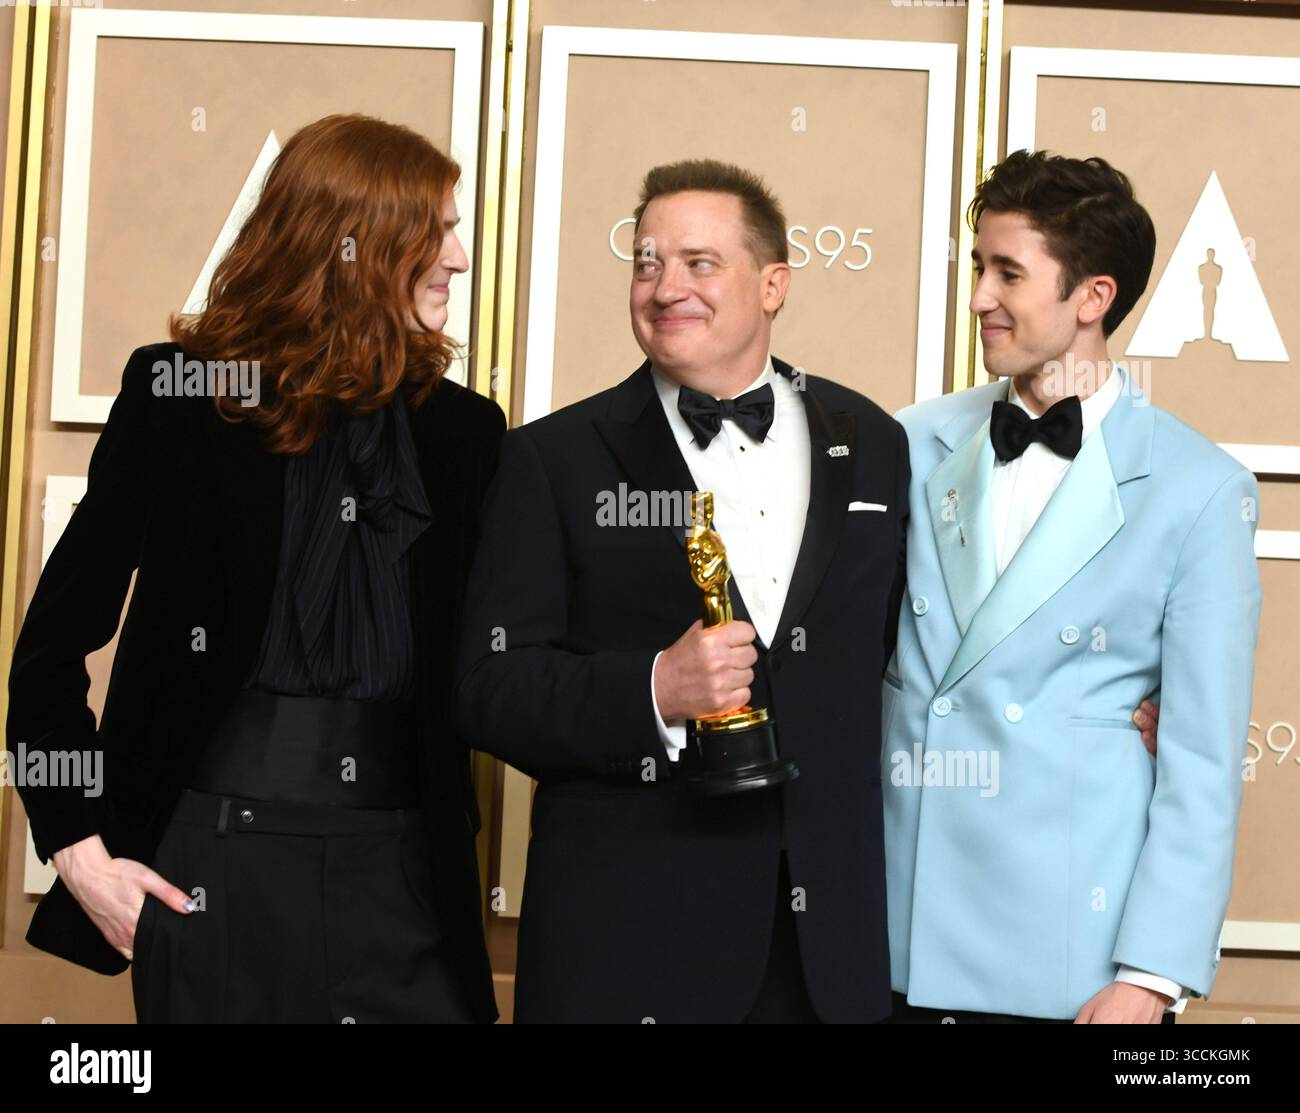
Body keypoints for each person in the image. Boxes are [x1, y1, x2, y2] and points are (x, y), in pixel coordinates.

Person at [8, 114, 504, 1023]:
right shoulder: (181, 397)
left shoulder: (466, 433)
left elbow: (494, 666)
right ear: (349, 241)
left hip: (404, 876)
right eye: (436, 231)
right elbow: (50, 649)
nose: (460, 258)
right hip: (208, 866)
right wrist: (75, 847)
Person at [456, 159, 909, 1023]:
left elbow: (915, 646)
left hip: (830, 956)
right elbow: (487, 689)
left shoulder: (875, 441)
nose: (666, 287)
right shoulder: (552, 459)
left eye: (700, 263)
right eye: (647, 261)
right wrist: (653, 690)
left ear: (774, 283)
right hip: (629, 947)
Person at [882, 150, 1261, 1024]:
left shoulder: (1200, 487)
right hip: (898, 933)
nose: (979, 295)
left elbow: (1204, 763)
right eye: (979, 266)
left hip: (1072, 965)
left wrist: (1152, 974)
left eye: (1008, 272)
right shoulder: (907, 441)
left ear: (1092, 296)